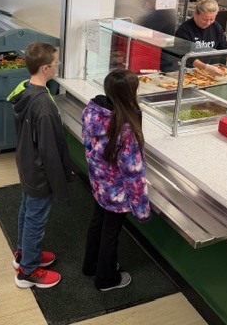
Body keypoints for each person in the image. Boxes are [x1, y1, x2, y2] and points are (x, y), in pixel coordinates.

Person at [6, 41, 74, 289]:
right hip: (40, 172)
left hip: (27, 164)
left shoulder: (25, 89)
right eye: (56, 64)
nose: (58, 67)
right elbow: (50, 151)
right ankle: (29, 272)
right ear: (45, 68)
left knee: (27, 209)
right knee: (36, 218)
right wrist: (61, 185)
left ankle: (24, 253)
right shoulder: (44, 106)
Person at [81, 69, 151, 291]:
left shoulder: (92, 111)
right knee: (111, 233)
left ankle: (91, 265)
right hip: (117, 192)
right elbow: (134, 173)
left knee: (97, 222)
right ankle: (106, 278)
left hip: (98, 182)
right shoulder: (125, 127)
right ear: (130, 93)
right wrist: (142, 209)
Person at [174, 0, 227, 76]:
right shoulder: (184, 30)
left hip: (204, 72)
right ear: (196, 13)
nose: (208, 23)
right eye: (205, 19)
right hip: (185, 71)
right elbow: (186, 56)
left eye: (212, 19)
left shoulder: (216, 27)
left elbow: (224, 46)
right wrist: (206, 68)